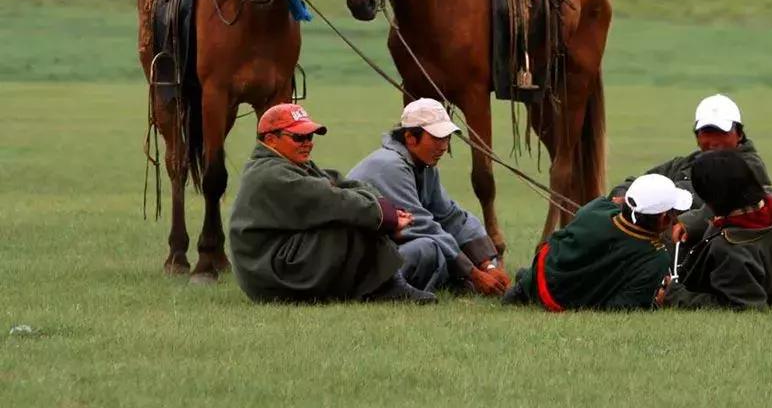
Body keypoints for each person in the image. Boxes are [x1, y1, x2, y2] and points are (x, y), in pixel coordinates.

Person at [228, 103, 436, 304]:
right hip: (271, 274)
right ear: (271, 140)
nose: (307, 143)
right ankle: (389, 288)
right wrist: (387, 217)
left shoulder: (288, 163)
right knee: (351, 218)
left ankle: (385, 285)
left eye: (309, 136)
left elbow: (346, 184)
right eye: (299, 137)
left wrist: (383, 211)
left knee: (357, 214)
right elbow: (333, 199)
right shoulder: (271, 174)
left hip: (277, 263)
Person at [348, 98, 510, 296]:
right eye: (436, 138)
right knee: (428, 249)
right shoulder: (389, 166)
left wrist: (488, 266)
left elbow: (451, 217)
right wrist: (474, 273)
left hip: (386, 251)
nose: (444, 146)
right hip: (359, 261)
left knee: (438, 246)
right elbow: (420, 225)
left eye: (447, 138)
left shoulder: (425, 166)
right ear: (410, 138)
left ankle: (461, 282)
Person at [503, 174, 692, 311]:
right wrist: (655, 303)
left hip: (546, 270)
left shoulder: (597, 208)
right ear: (663, 218)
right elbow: (622, 306)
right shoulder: (656, 258)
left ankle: (526, 284)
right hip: (564, 300)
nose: (676, 218)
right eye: (674, 213)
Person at [611, 93, 772, 247]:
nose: (714, 141)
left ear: (739, 133)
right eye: (707, 133)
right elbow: (642, 180)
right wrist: (623, 195)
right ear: (697, 137)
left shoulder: (749, 168)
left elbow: (720, 202)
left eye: (721, 132)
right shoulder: (686, 163)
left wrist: (689, 222)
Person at [662, 151, 772, 310]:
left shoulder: (731, 251)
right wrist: (691, 223)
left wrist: (674, 296)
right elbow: (728, 200)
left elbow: (745, 306)